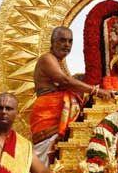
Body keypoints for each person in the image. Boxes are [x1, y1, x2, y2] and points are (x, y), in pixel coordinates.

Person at [29, 26, 113, 165]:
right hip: (47, 115)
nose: (67, 45)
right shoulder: (47, 59)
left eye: (70, 41)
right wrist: (96, 91)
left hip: (57, 116)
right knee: (43, 161)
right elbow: (65, 81)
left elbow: (69, 82)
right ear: (52, 41)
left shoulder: (58, 63)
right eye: (62, 40)